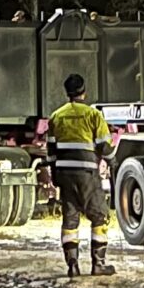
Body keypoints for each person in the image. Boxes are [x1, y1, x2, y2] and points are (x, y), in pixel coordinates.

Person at [46, 73, 114, 277]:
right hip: (87, 174)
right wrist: (113, 161)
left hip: (65, 174)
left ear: (67, 93)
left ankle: (72, 265)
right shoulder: (93, 115)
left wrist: (54, 174)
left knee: (70, 220)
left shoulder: (56, 116)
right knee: (99, 216)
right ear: (84, 91)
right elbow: (105, 146)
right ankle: (98, 264)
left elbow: (50, 151)